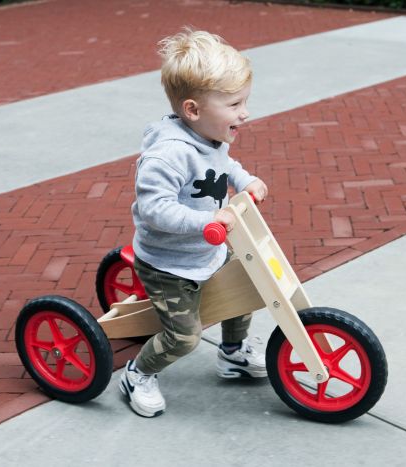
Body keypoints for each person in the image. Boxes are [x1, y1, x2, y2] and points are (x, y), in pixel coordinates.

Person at [119, 28, 268, 418]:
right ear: (193, 110)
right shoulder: (168, 155)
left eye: (245, 101)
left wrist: (244, 180)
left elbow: (223, 165)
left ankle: (233, 354)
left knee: (244, 286)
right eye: (235, 104)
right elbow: (155, 209)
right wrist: (206, 221)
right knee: (183, 339)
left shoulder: (210, 137)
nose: (245, 112)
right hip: (169, 264)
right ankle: (138, 373)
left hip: (208, 247)